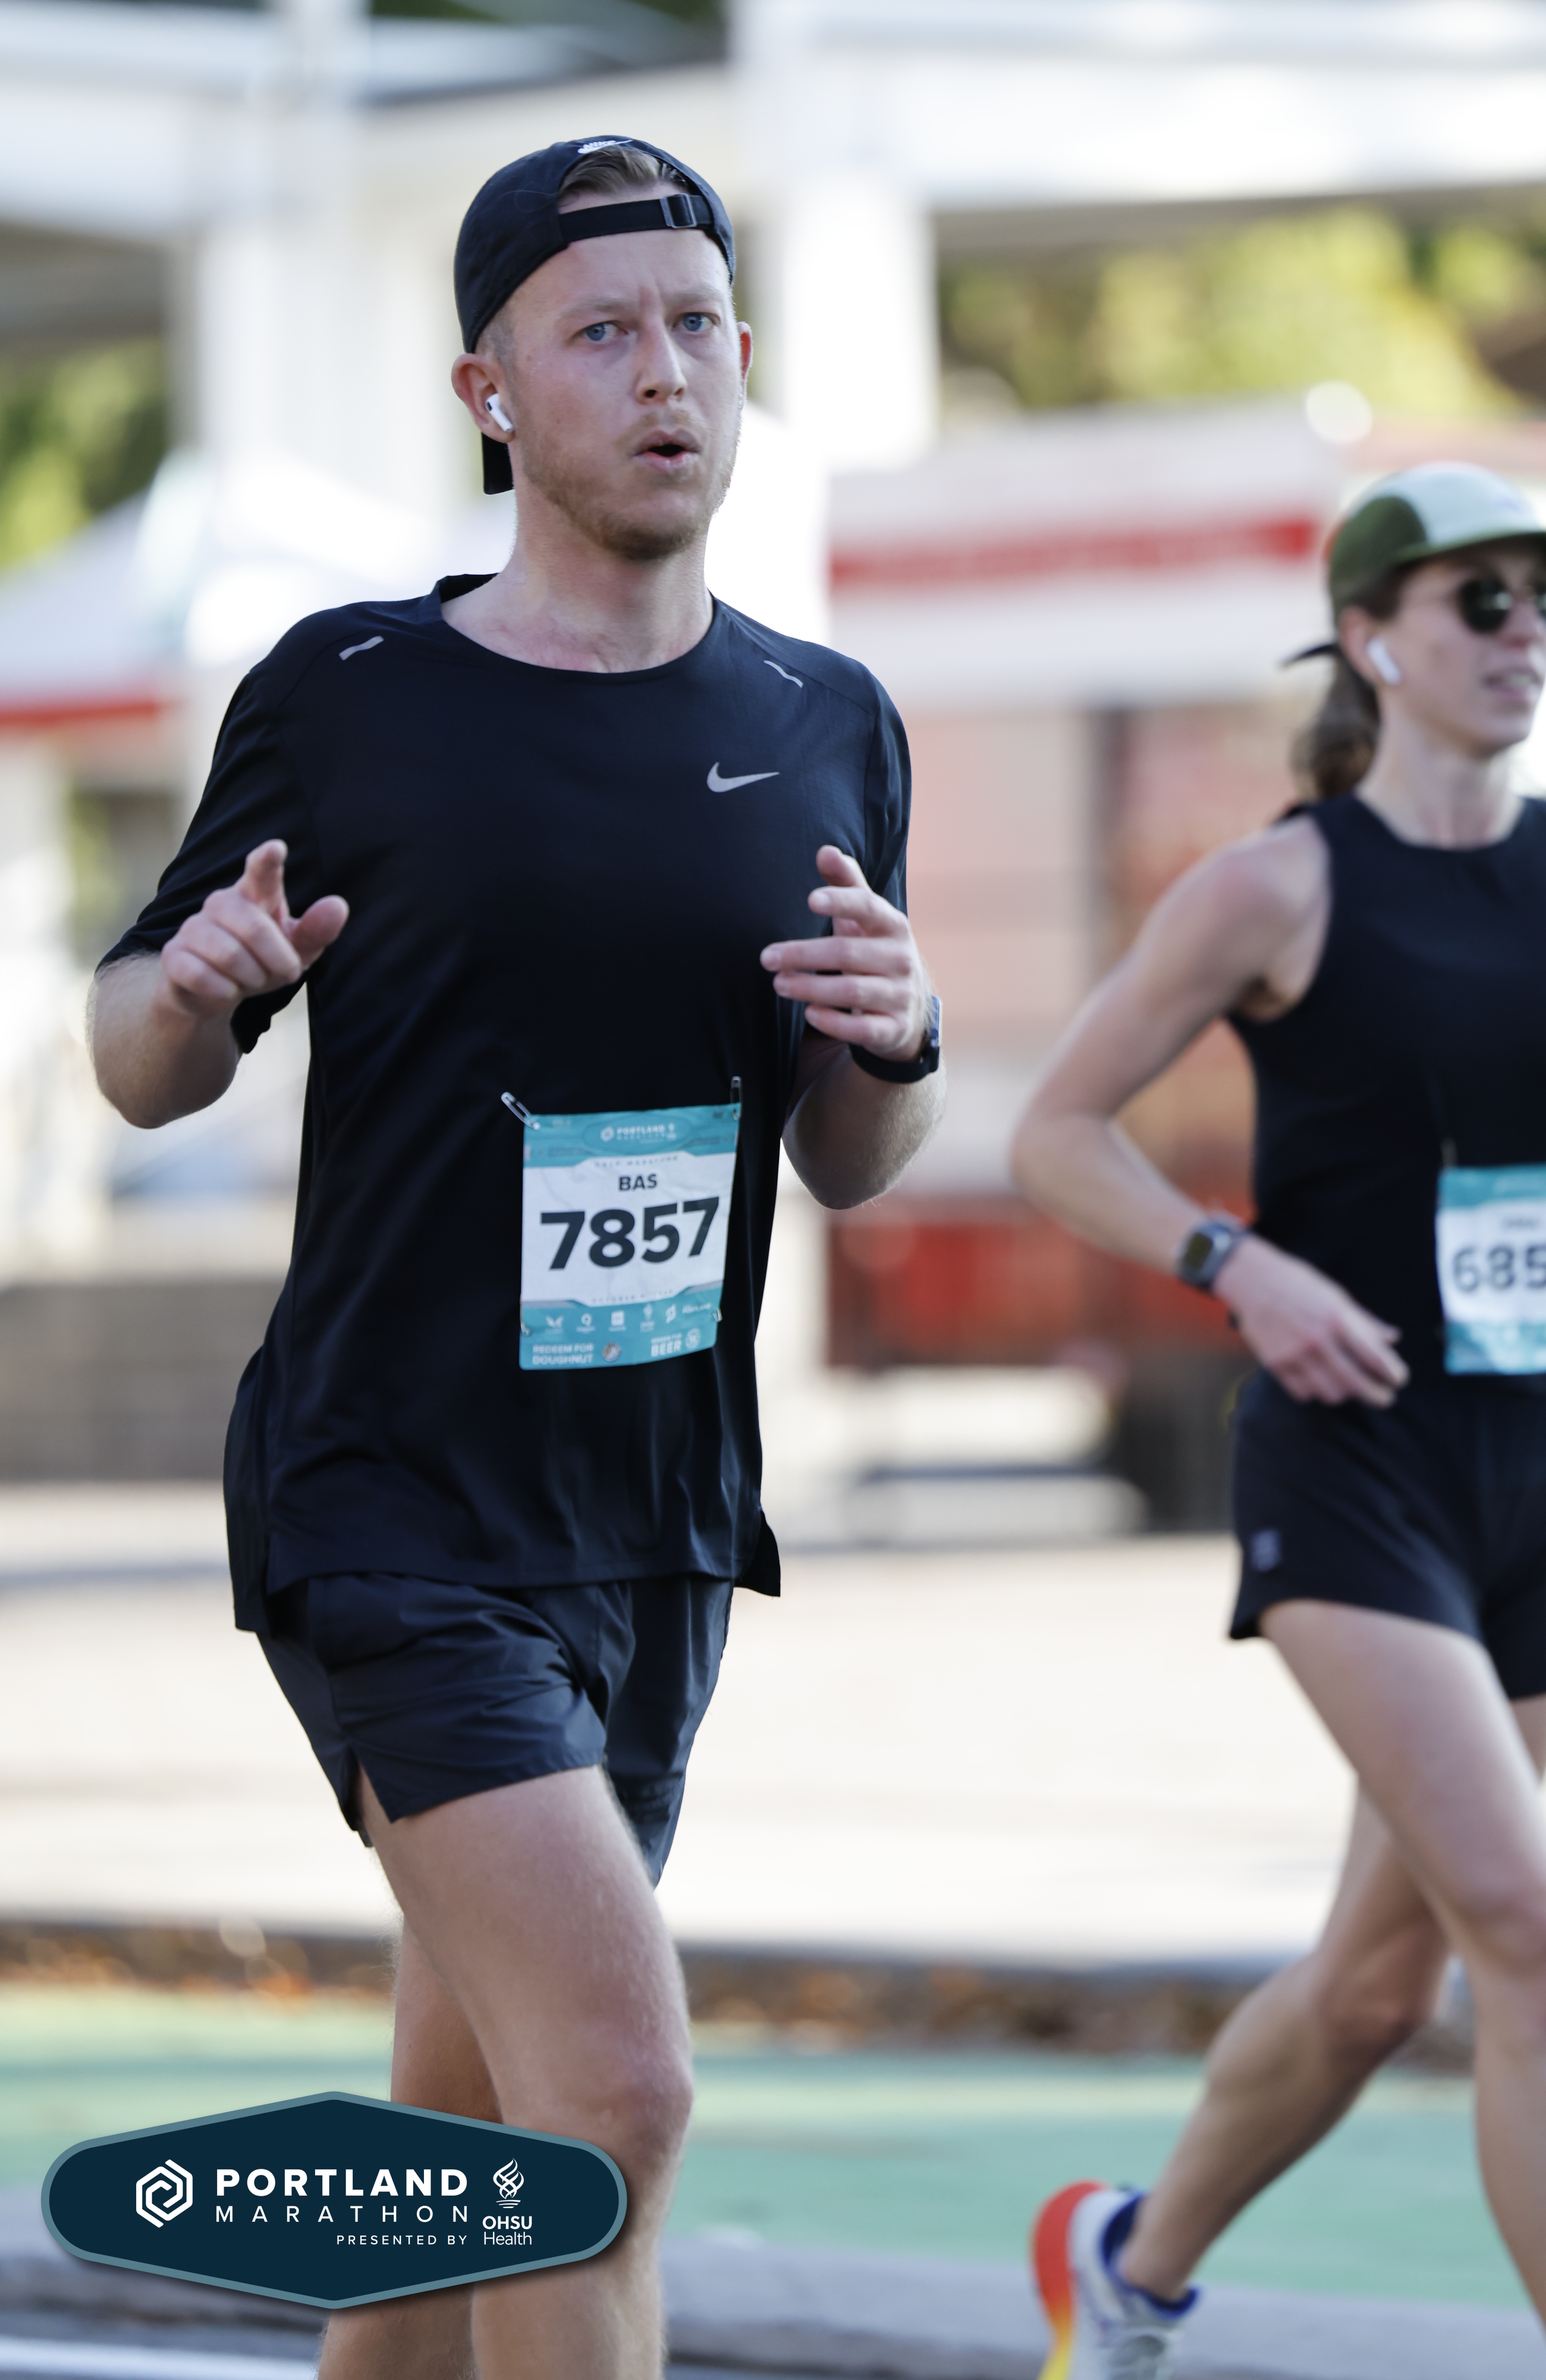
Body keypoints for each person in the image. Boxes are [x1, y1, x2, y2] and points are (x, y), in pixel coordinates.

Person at [90, 134, 943, 2380]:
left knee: (464, 2145)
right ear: (490, 393)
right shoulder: (354, 689)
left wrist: (904, 1042)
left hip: (655, 1518)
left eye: (700, 327)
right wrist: (194, 990)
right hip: (392, 1501)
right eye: (602, 332)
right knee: (611, 2104)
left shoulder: (828, 718)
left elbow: (855, 1157)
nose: (666, 373)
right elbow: (137, 1058)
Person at [1011, 462, 1546, 2380]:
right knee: (1542, 1954)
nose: (1526, 633)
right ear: (1372, 636)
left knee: (1382, 1983)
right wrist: (1240, 1265)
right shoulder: (1276, 888)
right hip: (1356, 1469)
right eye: (1483, 600)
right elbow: (1059, 1134)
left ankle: (1126, 2269)